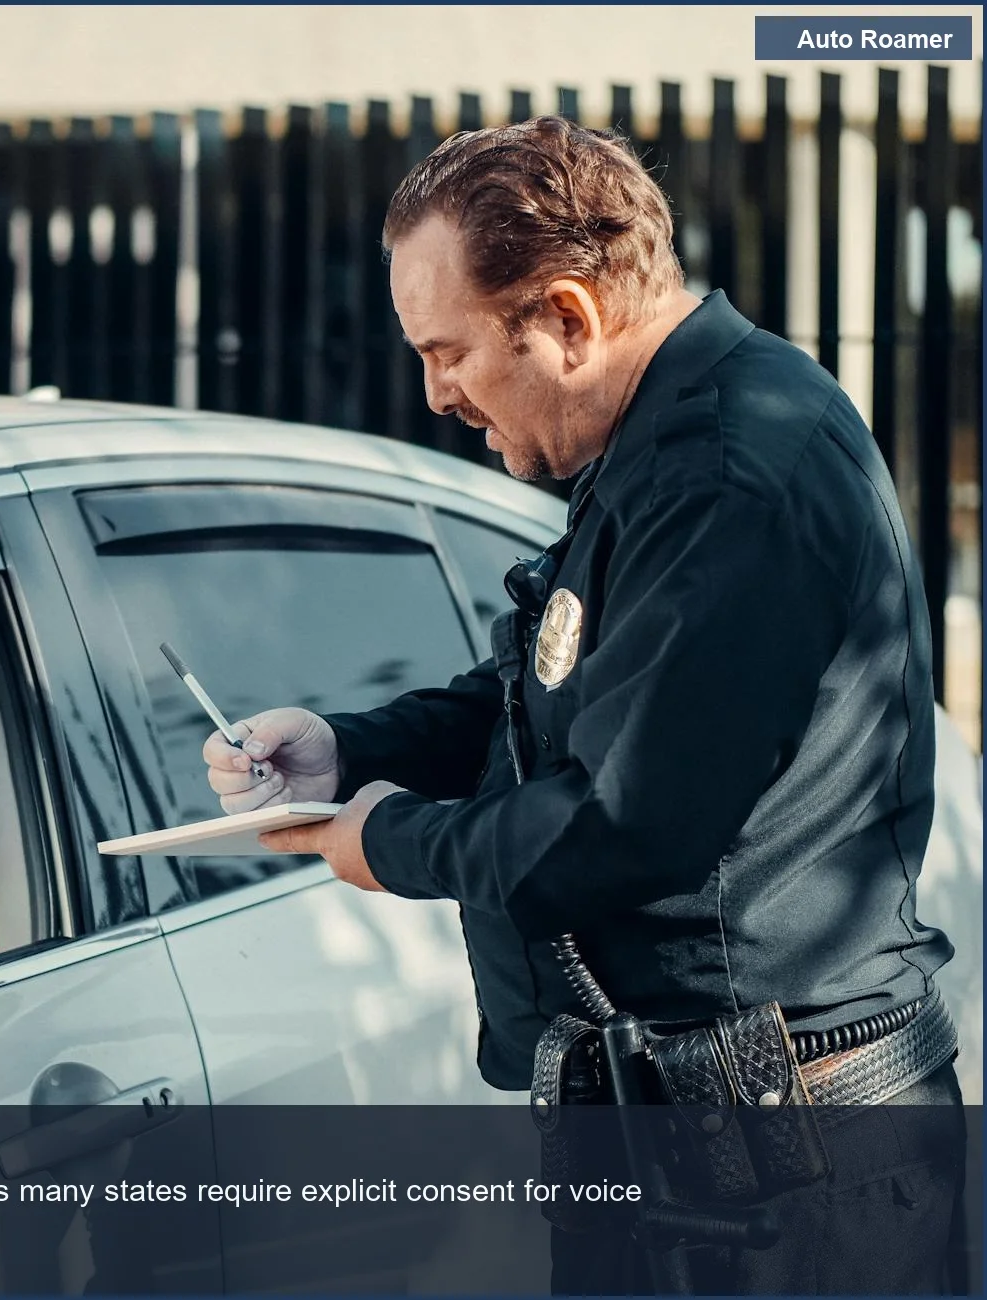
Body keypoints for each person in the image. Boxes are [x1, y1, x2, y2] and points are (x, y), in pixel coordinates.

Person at [205, 117, 962, 1293]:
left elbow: (622, 821)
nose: (435, 394)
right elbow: (544, 690)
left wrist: (386, 840)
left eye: (447, 352)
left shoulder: (725, 471)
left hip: (784, 1171)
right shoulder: (661, 444)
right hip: (714, 1147)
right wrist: (346, 748)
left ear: (566, 315)